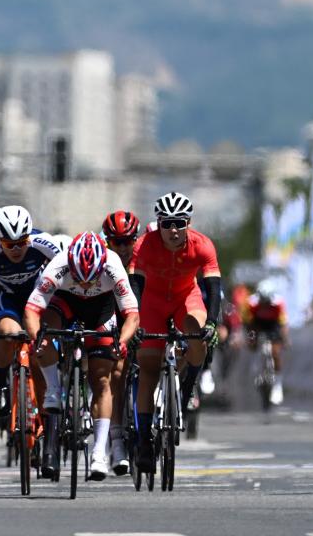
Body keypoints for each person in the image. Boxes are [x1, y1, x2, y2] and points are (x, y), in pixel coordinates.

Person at [24, 231, 139, 480]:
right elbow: (32, 310)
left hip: (100, 309)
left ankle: (99, 453)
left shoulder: (113, 266)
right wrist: (37, 340)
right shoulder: (58, 266)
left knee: (101, 379)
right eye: (79, 277)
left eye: (92, 278)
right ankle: (53, 388)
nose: (85, 285)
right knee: (45, 332)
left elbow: (132, 315)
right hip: (65, 302)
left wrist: (121, 342)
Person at [131, 191, 221, 473]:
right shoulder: (144, 244)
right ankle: (144, 441)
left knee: (196, 330)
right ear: (158, 223)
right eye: (167, 223)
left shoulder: (202, 245)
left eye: (179, 223)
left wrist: (212, 323)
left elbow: (213, 288)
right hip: (152, 302)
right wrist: (133, 321)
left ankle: (188, 383)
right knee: (148, 369)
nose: (173, 230)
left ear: (188, 223)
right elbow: (135, 286)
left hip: (185, 298)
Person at [0, 205, 60, 417]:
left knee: (41, 342)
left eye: (22, 242)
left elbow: (65, 275)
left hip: (37, 295)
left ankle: (51, 397)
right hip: (7, 297)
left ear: (29, 237)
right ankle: (2, 383)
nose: (16, 249)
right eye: (9, 244)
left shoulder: (45, 242)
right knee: (7, 334)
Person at [101, 209, 141, 474]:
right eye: (118, 242)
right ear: (108, 242)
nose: (124, 248)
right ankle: (116, 439)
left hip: (140, 312)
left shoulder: (144, 257)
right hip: (111, 313)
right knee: (116, 371)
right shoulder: (103, 260)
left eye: (129, 241)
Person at [243, 278, 289, 405]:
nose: (265, 305)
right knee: (253, 343)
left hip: (273, 325)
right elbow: (247, 323)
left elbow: (283, 324)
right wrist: (250, 338)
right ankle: (257, 367)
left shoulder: (279, 303)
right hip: (257, 323)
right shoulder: (251, 303)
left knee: (276, 352)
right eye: (263, 302)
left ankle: (278, 384)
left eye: (267, 302)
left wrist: (285, 339)